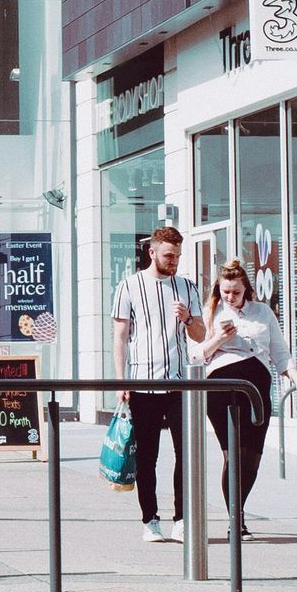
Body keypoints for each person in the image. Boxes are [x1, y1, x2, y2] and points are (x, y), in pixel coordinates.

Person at [112, 225, 205, 542]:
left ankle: (182, 519)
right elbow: (120, 336)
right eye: (169, 255)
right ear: (151, 252)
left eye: (178, 256)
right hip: (142, 382)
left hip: (180, 383)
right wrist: (121, 380)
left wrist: (188, 320)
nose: (174, 261)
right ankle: (149, 519)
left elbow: (201, 335)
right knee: (146, 456)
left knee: (186, 453)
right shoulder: (129, 286)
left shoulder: (187, 288)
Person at [197, 258, 297, 519]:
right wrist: (220, 339)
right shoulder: (211, 312)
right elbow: (196, 355)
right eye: (225, 292)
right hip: (222, 388)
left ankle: (239, 507)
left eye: (236, 292)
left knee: (252, 456)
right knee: (233, 455)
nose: (230, 297)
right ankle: (236, 516)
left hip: (257, 386)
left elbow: (279, 350)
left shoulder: (262, 312)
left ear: (246, 290)